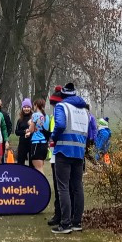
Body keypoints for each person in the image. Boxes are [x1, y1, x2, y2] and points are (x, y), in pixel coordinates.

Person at [51, 82, 89, 234]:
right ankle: (77, 222)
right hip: (79, 153)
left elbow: (60, 124)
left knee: (63, 187)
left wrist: (53, 137)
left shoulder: (62, 107)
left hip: (64, 151)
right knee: (77, 187)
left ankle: (65, 224)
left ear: (64, 95)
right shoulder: (84, 110)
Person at [46, 86, 65, 228]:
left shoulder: (61, 112)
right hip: (55, 152)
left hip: (60, 152)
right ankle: (60, 213)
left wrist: (53, 138)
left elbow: (58, 130)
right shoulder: (54, 115)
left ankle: (62, 215)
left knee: (61, 187)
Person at [27, 98, 49, 173]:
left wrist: (29, 125)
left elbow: (31, 130)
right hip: (44, 143)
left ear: (36, 105)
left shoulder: (35, 115)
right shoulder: (47, 117)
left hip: (37, 142)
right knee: (41, 166)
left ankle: (42, 184)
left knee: (38, 168)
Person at [15, 99, 34, 165]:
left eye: (28, 107)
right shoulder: (20, 120)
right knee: (20, 161)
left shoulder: (34, 118)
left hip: (32, 142)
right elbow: (17, 132)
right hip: (22, 143)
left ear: (30, 108)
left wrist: (30, 132)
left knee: (32, 162)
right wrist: (24, 131)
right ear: (22, 108)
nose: (26, 109)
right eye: (25, 107)